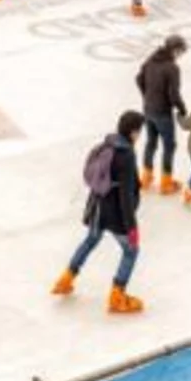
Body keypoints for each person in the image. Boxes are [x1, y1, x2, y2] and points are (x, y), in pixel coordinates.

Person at [52, 109, 147, 314]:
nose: (140, 136)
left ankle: (66, 278)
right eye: (140, 131)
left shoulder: (107, 144)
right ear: (133, 132)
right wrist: (131, 227)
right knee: (131, 251)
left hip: (96, 206)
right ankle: (117, 295)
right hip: (114, 212)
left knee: (90, 240)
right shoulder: (126, 155)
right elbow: (125, 195)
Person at [135, 35, 189, 195]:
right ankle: (166, 182)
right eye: (181, 51)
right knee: (169, 145)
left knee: (151, 142)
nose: (181, 55)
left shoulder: (151, 60)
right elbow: (173, 93)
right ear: (175, 50)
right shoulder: (172, 68)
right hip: (163, 113)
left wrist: (147, 95)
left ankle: (146, 177)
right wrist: (182, 108)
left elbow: (138, 79)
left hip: (147, 109)